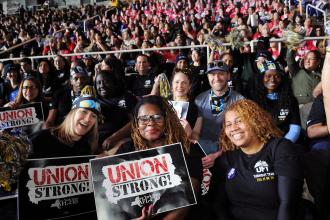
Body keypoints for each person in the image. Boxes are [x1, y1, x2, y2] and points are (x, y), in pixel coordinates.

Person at [211, 99, 303, 220]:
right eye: (228, 124)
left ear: (255, 122)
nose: (233, 128)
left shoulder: (280, 148)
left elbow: (287, 203)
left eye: (239, 121)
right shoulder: (227, 158)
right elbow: (218, 205)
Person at [116, 95, 203, 219]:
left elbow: (187, 201)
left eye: (157, 117)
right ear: (136, 123)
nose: (151, 123)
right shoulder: (126, 150)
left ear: (167, 120)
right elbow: (115, 203)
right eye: (143, 118)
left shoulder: (187, 150)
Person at [193, 60, 244, 169]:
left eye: (221, 74)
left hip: (230, 155)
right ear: (207, 77)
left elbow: (242, 134)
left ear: (228, 76)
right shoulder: (199, 99)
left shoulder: (239, 101)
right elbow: (196, 132)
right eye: (212, 74)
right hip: (203, 157)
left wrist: (217, 155)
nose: (216, 78)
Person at [29, 95, 101, 158]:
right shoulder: (42, 138)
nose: (87, 119)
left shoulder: (85, 149)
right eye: (84, 111)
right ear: (72, 113)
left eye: (93, 116)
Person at [253, 61, 301, 143]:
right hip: (260, 143)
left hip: (285, 142)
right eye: (268, 76)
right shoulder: (253, 100)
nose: (272, 80)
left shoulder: (290, 100)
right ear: (261, 78)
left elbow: (295, 127)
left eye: (277, 76)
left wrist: (283, 145)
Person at [95, 70, 137, 152]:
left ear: (114, 83)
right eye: (98, 83)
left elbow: (135, 122)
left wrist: (114, 137)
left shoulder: (126, 97)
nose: (102, 86)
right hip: (98, 142)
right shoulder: (94, 101)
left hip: (122, 139)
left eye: (106, 82)